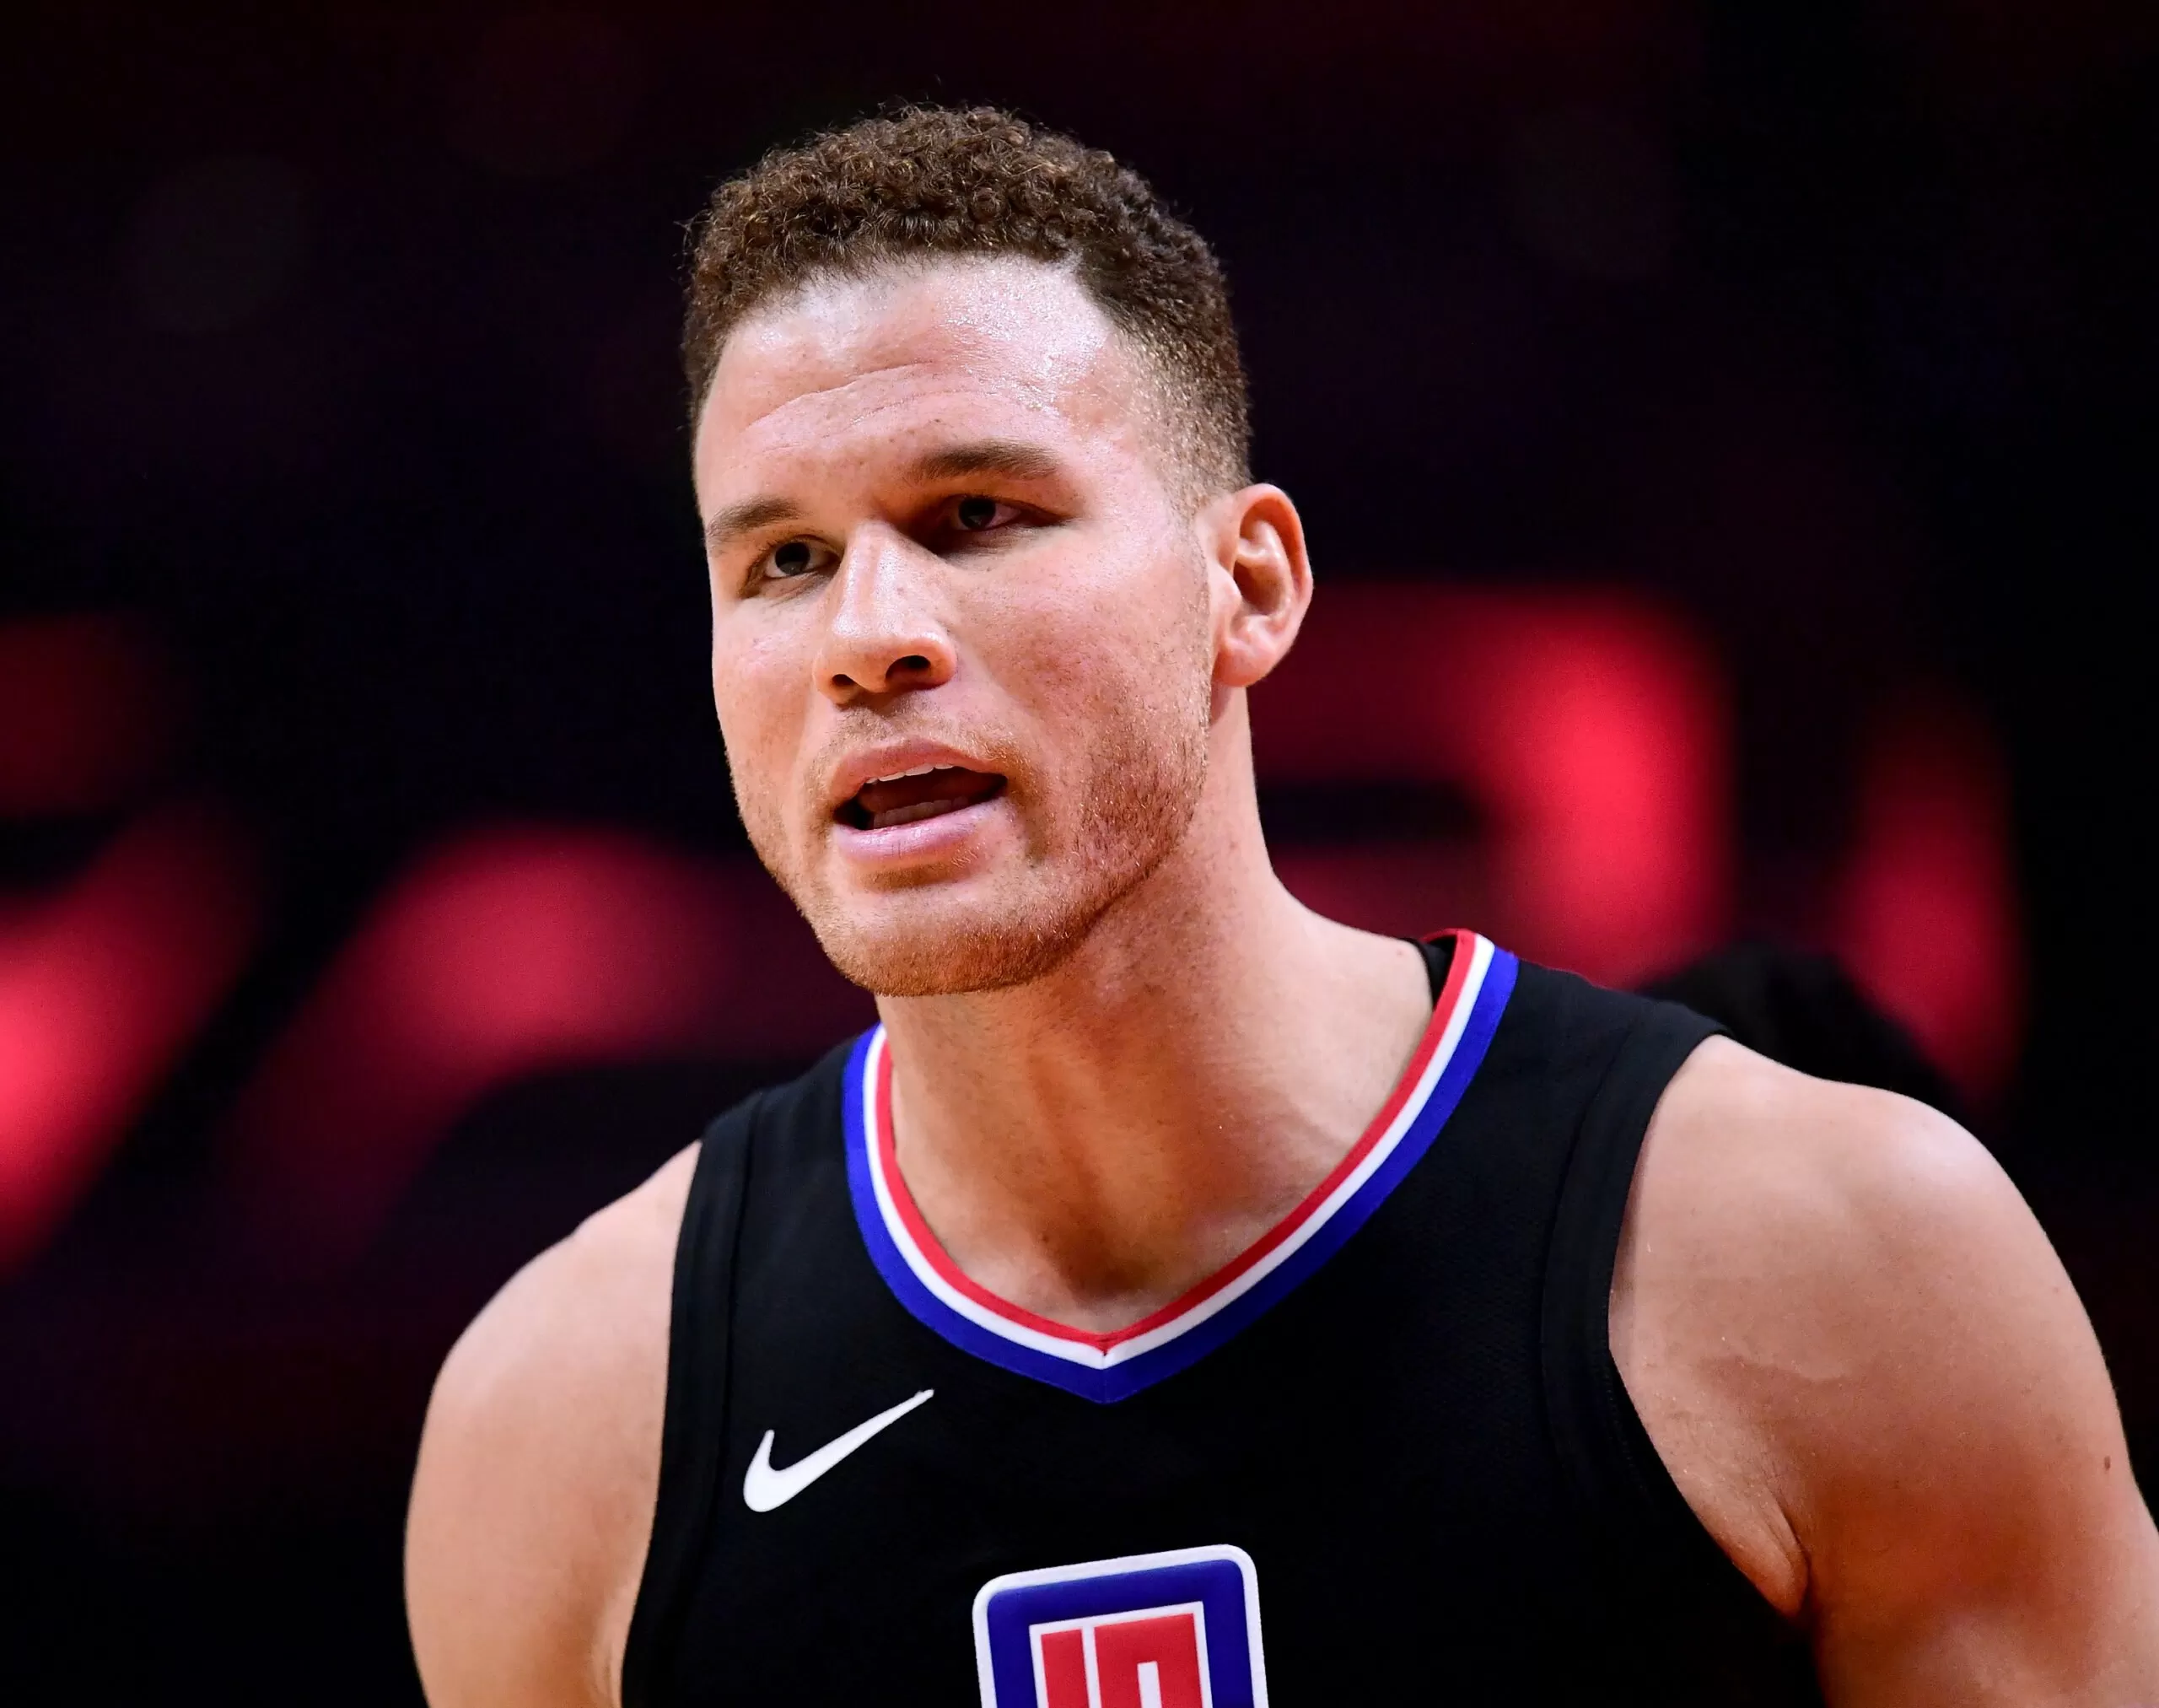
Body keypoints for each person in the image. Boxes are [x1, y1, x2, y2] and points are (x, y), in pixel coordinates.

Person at [403, 108, 2159, 1706]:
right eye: (781, 559)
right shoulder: (566, 1421)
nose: (866, 636)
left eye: (976, 513)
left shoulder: (1836, 1259)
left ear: (1248, 585)